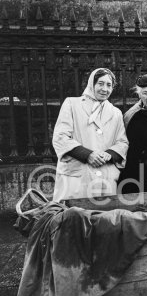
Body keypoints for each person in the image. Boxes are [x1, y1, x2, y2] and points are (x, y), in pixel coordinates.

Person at [52, 68, 128, 201]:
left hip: (105, 177)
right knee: (74, 216)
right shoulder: (72, 104)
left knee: (103, 217)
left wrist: (109, 154)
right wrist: (87, 155)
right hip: (77, 176)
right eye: (100, 83)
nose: (104, 89)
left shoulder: (115, 112)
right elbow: (61, 137)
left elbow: (122, 142)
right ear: (91, 84)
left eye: (109, 85)